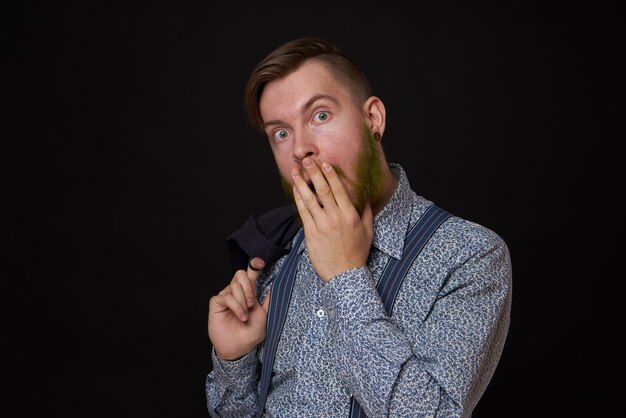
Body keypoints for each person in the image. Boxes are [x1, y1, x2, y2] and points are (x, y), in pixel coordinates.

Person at [205, 37, 512, 418]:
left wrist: (345, 276)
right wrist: (234, 359)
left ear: (373, 120)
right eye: (280, 133)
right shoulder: (275, 254)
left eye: (319, 115)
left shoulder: (470, 256)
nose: (300, 148)